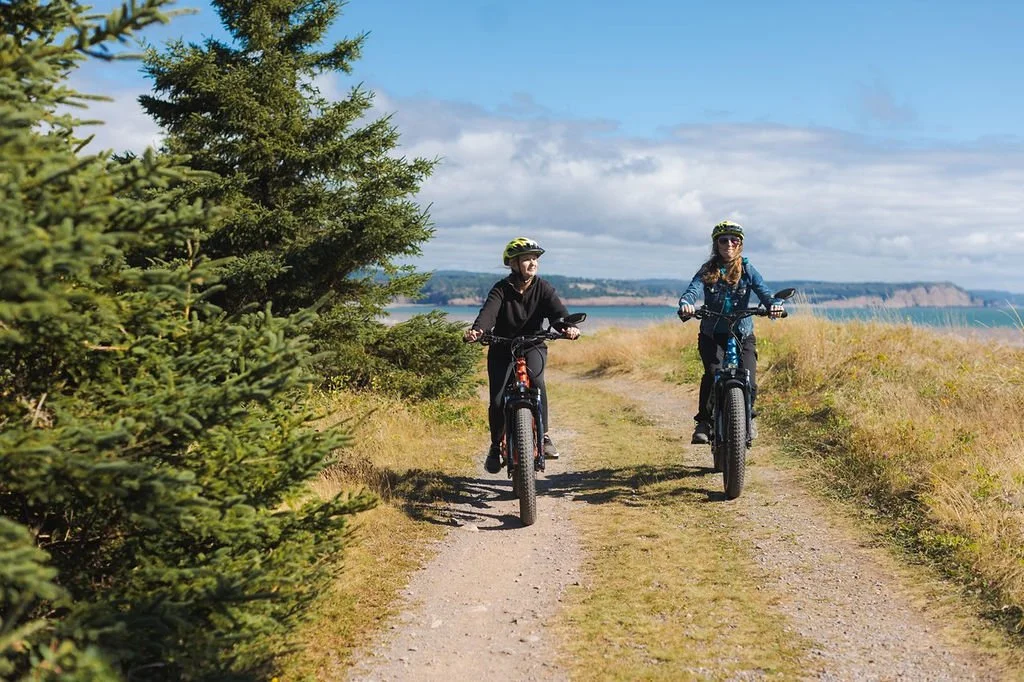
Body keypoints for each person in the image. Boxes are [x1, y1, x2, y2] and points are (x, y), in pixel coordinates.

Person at [463, 237, 580, 474]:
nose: (533, 263)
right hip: (502, 346)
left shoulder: (543, 288)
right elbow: (488, 314)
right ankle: (495, 446)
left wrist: (567, 328)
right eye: (527, 259)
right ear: (514, 264)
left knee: (537, 382)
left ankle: (544, 437)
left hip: (533, 344)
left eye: (535, 259)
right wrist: (478, 331)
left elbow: (557, 314)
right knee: (497, 399)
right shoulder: (501, 289)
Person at [677, 220, 784, 444]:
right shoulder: (708, 269)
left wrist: (774, 305)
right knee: (712, 372)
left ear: (740, 244)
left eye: (734, 240)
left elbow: (764, 292)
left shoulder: (747, 269)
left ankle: (748, 418)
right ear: (716, 244)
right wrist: (687, 304)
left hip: (742, 333)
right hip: (712, 334)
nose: (729, 244)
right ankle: (704, 422)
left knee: (749, 378)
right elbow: (693, 290)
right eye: (723, 240)